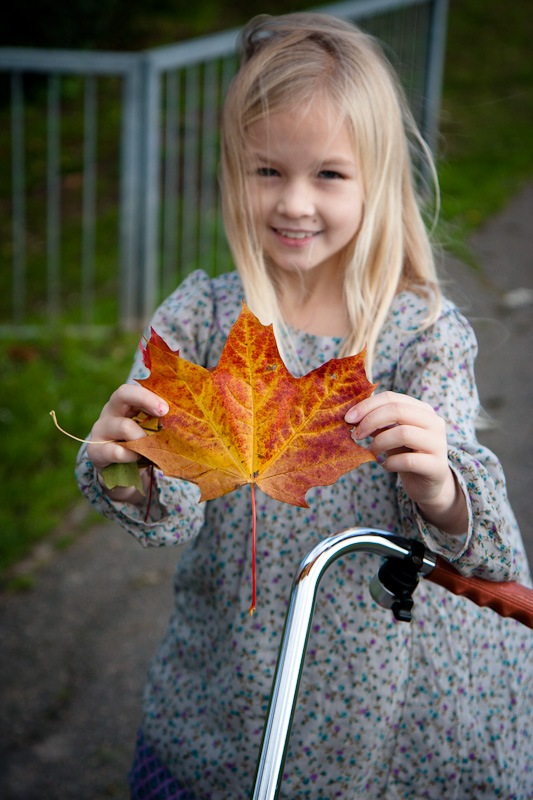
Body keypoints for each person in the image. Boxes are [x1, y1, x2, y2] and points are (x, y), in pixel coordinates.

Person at [76, 12, 533, 799]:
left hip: (385, 688)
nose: (293, 203)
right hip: (234, 672)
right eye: (266, 171)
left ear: (376, 179)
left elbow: (480, 542)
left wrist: (438, 485)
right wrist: (129, 471)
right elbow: (169, 513)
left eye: (328, 174)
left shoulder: (417, 336)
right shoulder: (200, 321)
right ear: (233, 173)